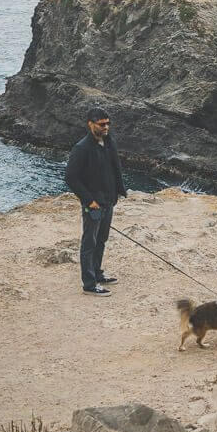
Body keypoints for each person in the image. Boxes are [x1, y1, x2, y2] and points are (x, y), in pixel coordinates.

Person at [65, 107, 127, 296]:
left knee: (101, 239)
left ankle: (98, 273)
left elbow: (115, 168)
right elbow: (71, 178)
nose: (106, 127)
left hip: (109, 201)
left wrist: (119, 191)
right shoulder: (82, 148)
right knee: (89, 243)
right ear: (90, 124)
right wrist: (89, 201)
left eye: (108, 123)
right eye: (102, 124)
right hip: (93, 204)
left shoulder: (109, 143)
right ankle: (89, 284)